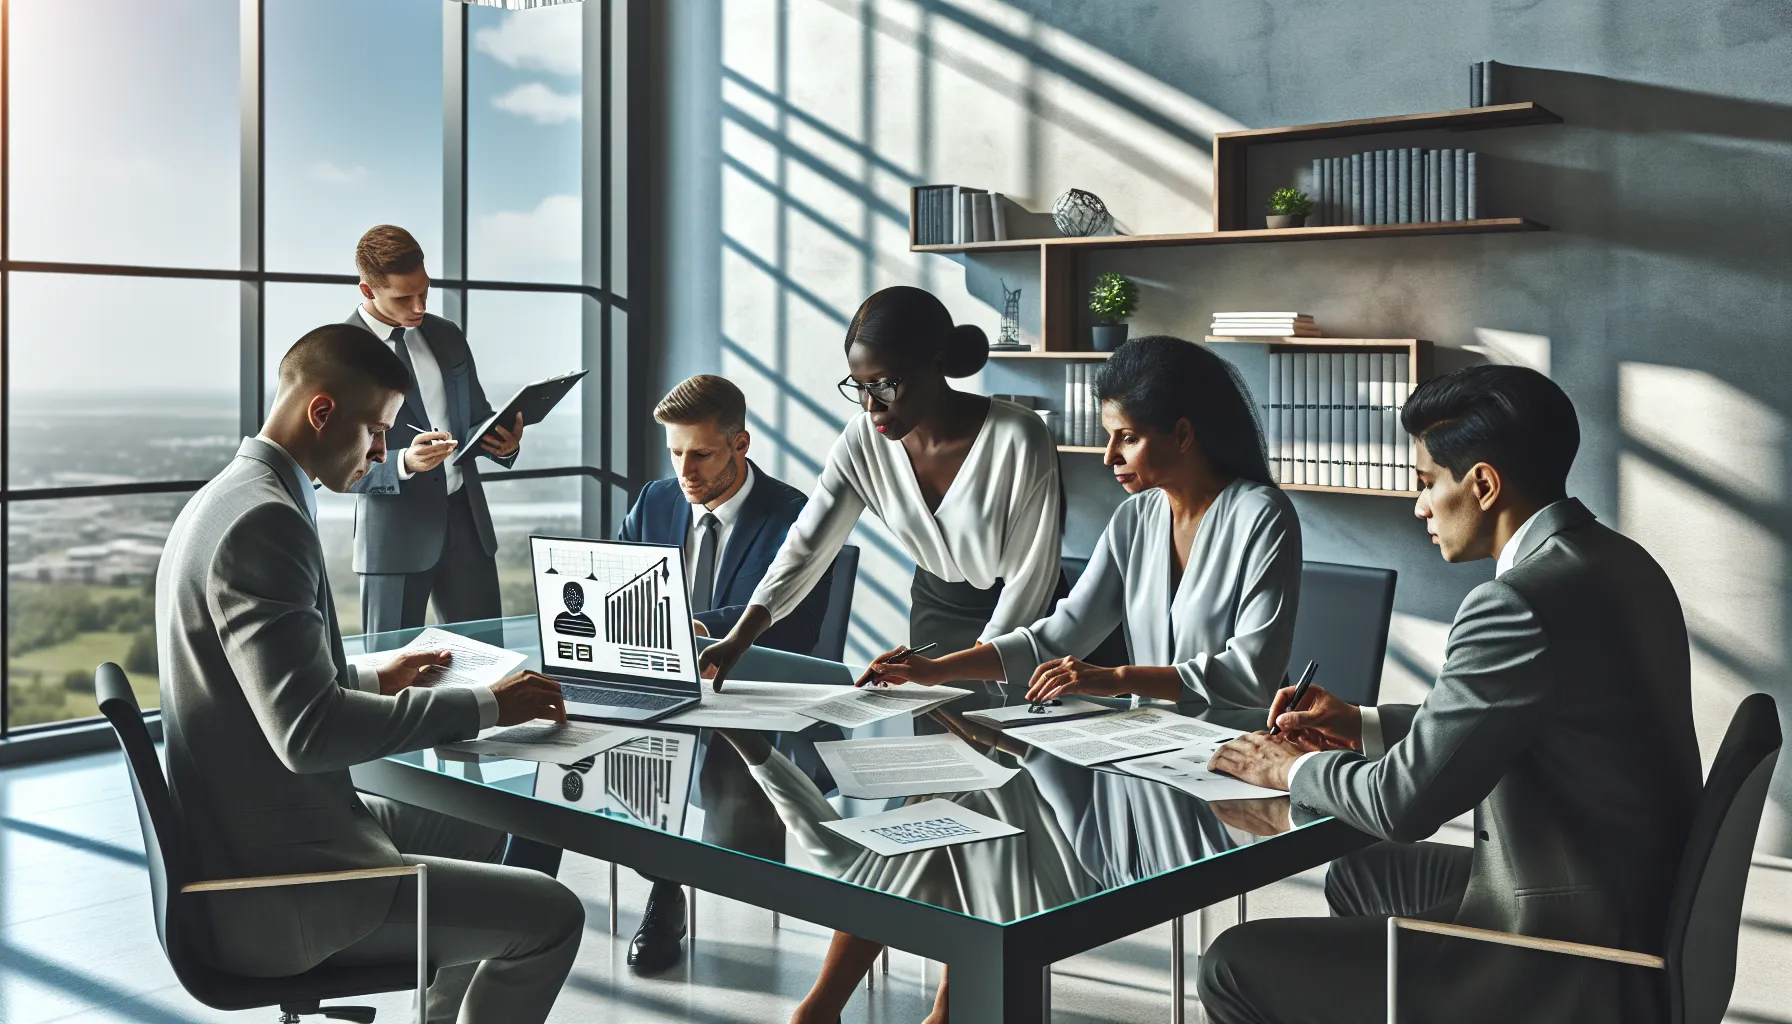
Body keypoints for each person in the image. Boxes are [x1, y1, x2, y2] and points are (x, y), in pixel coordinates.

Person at [1200, 365, 1702, 1024]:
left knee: (1229, 964)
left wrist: (1288, 767)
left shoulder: (1516, 603)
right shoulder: (1621, 561)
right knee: (1362, 873)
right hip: (1632, 901)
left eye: (1427, 482)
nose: (1419, 507)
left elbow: (1401, 804)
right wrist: (1359, 723)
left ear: (1485, 484)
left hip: (1569, 949)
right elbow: (1516, 717)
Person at [156, 324, 582, 1024]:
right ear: (322, 412)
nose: (384, 455)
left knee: (483, 830)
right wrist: (484, 706)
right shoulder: (264, 521)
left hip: (258, 829)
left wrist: (378, 674)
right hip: (283, 881)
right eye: (378, 431)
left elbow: (263, 687)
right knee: (555, 915)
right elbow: (307, 733)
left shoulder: (226, 498)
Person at [868, 336, 1300, 711]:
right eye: (1109, 437)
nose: (1109, 456)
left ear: (1183, 435)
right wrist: (935, 670)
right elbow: (1058, 638)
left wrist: (1116, 679)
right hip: (1150, 755)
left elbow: (1252, 675)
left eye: (1128, 438)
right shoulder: (1135, 518)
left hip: (1240, 758)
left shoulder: (1262, 516)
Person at [699, 285, 1064, 692]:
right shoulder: (861, 441)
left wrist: (980, 668)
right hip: (934, 621)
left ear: (936, 364)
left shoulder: (1020, 436)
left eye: (885, 385)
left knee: (1011, 746)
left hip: (1023, 630)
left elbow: (1031, 575)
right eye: (859, 386)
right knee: (936, 752)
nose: (871, 406)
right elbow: (805, 548)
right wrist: (739, 639)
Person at [615, 374, 837, 975]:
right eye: (676, 452)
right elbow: (617, 590)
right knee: (577, 756)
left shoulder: (795, 516)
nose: (685, 470)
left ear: (741, 444)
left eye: (702, 454)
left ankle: (690, 894)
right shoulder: (656, 501)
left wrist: (682, 626)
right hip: (658, 680)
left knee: (734, 819)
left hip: (750, 693)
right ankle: (663, 891)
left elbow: (783, 628)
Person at [345, 224, 525, 635]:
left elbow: (476, 414)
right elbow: (325, 466)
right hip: (393, 538)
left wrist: (502, 441)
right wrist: (403, 463)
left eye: (424, 290)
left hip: (467, 523)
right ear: (367, 291)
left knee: (488, 664)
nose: (419, 305)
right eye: (404, 297)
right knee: (391, 672)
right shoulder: (340, 352)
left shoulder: (446, 335)